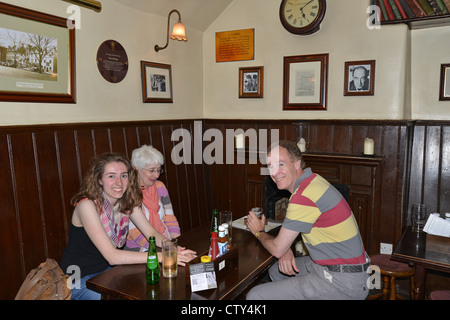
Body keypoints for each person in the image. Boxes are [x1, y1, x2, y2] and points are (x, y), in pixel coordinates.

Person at [59, 153, 196, 300]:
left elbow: (150, 232)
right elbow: (112, 257)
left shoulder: (127, 202)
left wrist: (171, 248)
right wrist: (162, 256)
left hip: (106, 273)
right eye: (111, 176)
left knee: (155, 287)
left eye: (123, 176)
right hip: (77, 280)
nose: (119, 182)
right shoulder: (87, 205)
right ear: (99, 179)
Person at [246, 141, 369, 300]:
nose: (275, 172)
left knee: (255, 296)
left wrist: (259, 232)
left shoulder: (303, 196)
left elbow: (277, 249)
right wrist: (285, 247)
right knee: (277, 270)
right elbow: (291, 235)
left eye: (281, 164)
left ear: (297, 163)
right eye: (270, 166)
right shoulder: (312, 180)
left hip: (343, 281)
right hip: (346, 268)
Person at [125, 145, 181, 252]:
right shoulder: (129, 192)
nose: (156, 175)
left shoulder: (160, 186)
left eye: (158, 170)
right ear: (137, 169)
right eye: (151, 170)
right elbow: (133, 230)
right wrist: (162, 249)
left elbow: (170, 218)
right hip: (138, 248)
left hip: (164, 242)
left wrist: (175, 241)